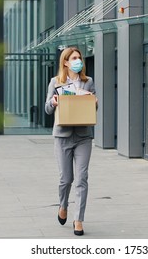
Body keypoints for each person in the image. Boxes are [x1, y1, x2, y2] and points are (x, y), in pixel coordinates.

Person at [44, 47, 97, 236]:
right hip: (62, 136)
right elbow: (47, 109)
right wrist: (53, 102)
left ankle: (78, 219)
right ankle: (63, 205)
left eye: (79, 57)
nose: (78, 60)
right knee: (66, 179)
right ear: (65, 62)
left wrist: (93, 101)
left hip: (83, 136)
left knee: (82, 178)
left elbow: (94, 107)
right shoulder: (55, 82)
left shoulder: (87, 82)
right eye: (74, 58)